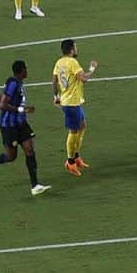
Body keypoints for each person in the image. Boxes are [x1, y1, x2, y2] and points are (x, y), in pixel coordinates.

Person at [0, 60, 51, 196]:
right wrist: (22, 109)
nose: (27, 71)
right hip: (9, 126)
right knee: (11, 156)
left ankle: (35, 185)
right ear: (21, 71)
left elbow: (3, 94)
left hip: (21, 124)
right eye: (26, 68)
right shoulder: (14, 83)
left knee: (29, 149)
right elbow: (3, 104)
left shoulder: (15, 82)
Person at [52, 38, 99, 176]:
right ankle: (70, 162)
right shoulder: (72, 62)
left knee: (82, 125)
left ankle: (76, 156)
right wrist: (92, 68)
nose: (77, 49)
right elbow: (84, 78)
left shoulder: (59, 62)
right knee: (73, 131)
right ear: (71, 50)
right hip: (71, 103)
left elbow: (54, 81)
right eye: (76, 47)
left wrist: (56, 97)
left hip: (72, 101)